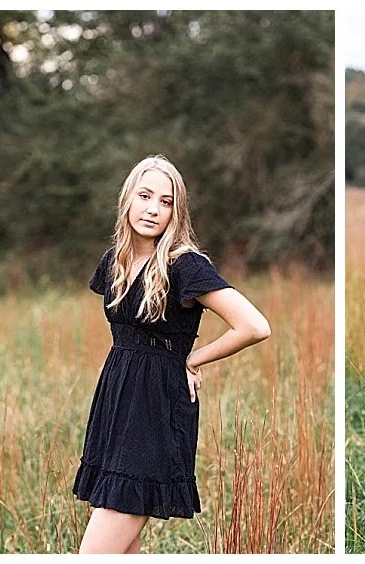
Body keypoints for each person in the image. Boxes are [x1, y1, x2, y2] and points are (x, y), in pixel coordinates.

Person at [75, 156, 270, 553]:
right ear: (127, 199)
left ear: (175, 213)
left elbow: (254, 326)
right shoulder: (115, 261)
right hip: (117, 402)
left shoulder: (184, 266)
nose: (152, 209)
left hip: (156, 407)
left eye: (165, 202)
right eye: (145, 196)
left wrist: (193, 359)